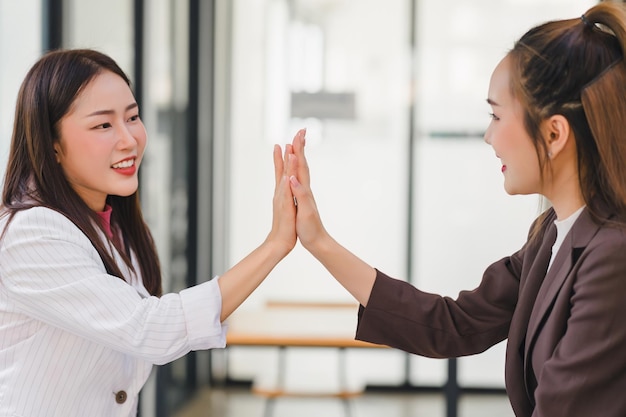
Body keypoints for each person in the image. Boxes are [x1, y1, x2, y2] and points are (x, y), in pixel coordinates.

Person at [287, 3, 626, 417]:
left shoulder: (611, 257)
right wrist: (318, 240)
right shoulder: (552, 235)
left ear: (554, 133)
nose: (488, 136)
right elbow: (454, 325)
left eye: (496, 116)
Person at [0, 49, 301, 416]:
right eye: (103, 125)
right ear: (52, 145)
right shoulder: (32, 233)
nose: (129, 139)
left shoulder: (107, 223)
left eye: (133, 117)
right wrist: (275, 245)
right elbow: (152, 329)